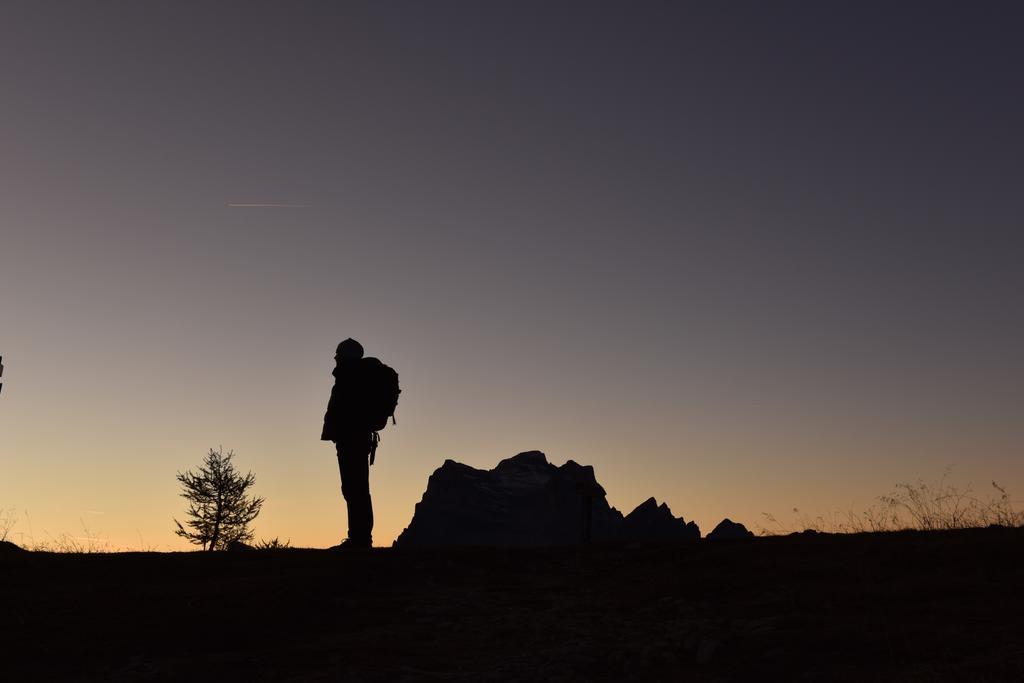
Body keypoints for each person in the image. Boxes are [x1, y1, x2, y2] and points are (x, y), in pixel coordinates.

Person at [321, 338, 377, 550]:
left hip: (351, 439)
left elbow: (343, 410)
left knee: (355, 489)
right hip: (358, 439)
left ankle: (360, 540)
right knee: (358, 488)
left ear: (344, 356)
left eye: (338, 355)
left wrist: (337, 431)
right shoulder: (358, 377)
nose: (335, 358)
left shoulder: (349, 377)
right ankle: (360, 538)